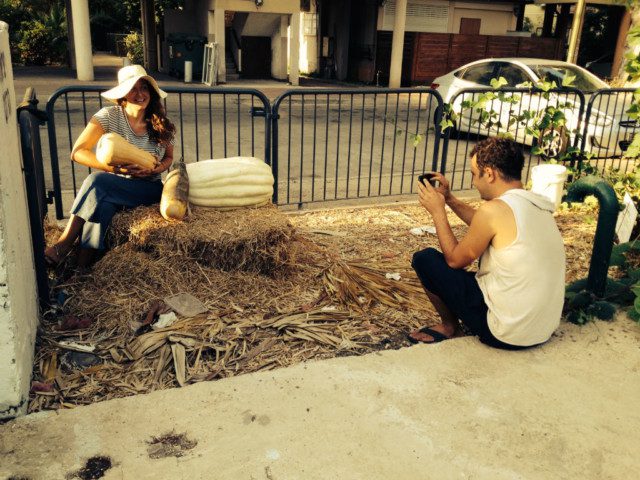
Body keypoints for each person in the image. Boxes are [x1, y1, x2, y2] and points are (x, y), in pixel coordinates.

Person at [409, 137, 565, 349]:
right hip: (541, 329)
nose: (473, 182)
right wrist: (450, 199)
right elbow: (486, 226)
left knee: (425, 259)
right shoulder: (534, 204)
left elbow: (455, 261)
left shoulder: (494, 210)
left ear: (489, 174)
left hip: (505, 333)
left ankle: (450, 327)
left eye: (474, 174)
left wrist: (438, 212)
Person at [44, 64, 176, 268]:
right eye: (133, 88)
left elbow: (169, 158)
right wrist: (116, 170)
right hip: (116, 186)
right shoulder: (108, 116)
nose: (140, 94)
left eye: (144, 88)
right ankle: (82, 270)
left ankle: (64, 245)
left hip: (149, 189)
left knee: (96, 181)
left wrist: (157, 169)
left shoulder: (162, 123)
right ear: (123, 93)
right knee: (101, 207)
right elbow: (78, 152)